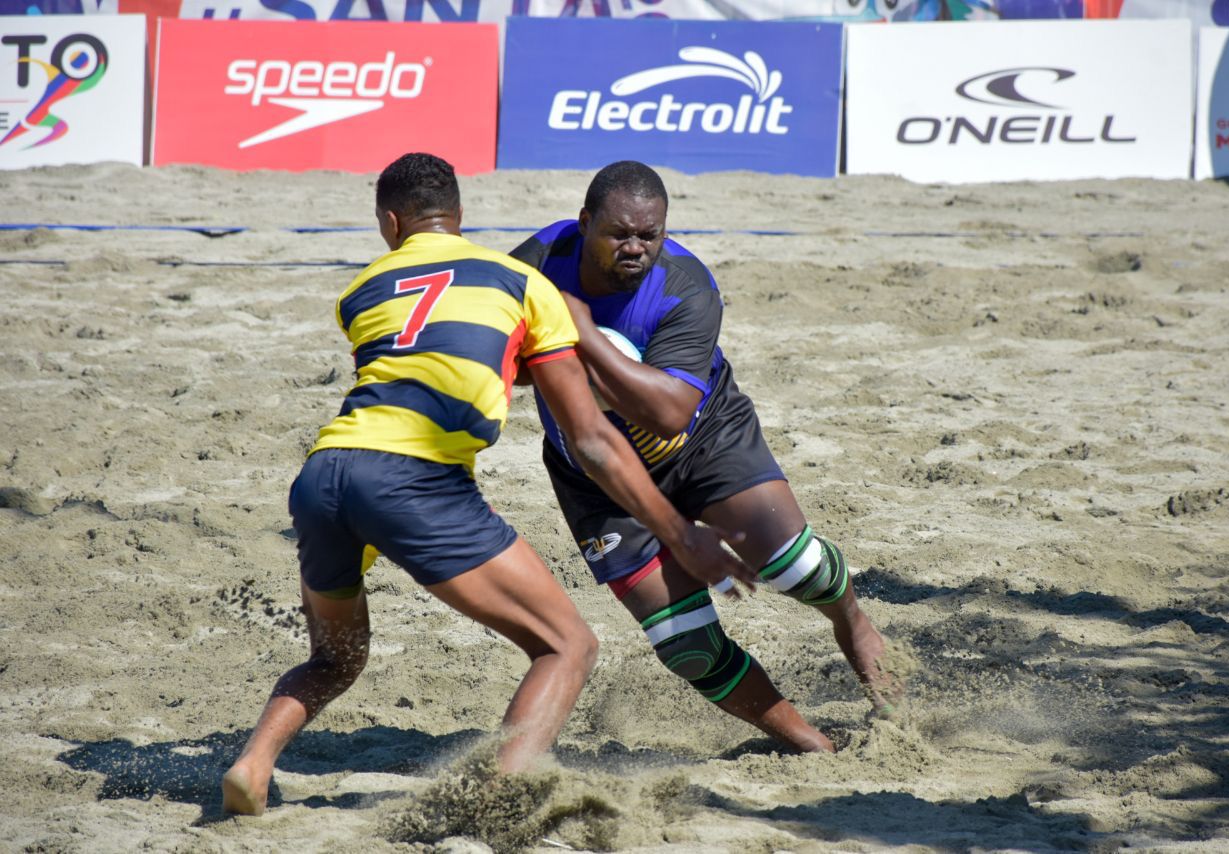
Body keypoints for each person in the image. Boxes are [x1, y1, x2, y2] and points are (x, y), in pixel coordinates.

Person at [221, 153, 752, 816]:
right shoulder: (523, 284)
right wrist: (679, 532)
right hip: (416, 482)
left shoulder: (360, 291)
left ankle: (253, 763)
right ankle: (498, 800)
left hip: (324, 474)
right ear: (462, 215)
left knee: (332, 661)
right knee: (567, 645)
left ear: (390, 222)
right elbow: (589, 441)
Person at [510, 161, 896, 753]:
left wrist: (580, 334)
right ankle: (808, 741)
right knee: (685, 644)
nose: (636, 247)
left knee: (795, 568)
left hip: (701, 440)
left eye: (650, 234)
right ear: (585, 222)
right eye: (620, 234)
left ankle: (852, 620)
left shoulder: (686, 285)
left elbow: (666, 413)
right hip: (592, 472)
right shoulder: (534, 265)